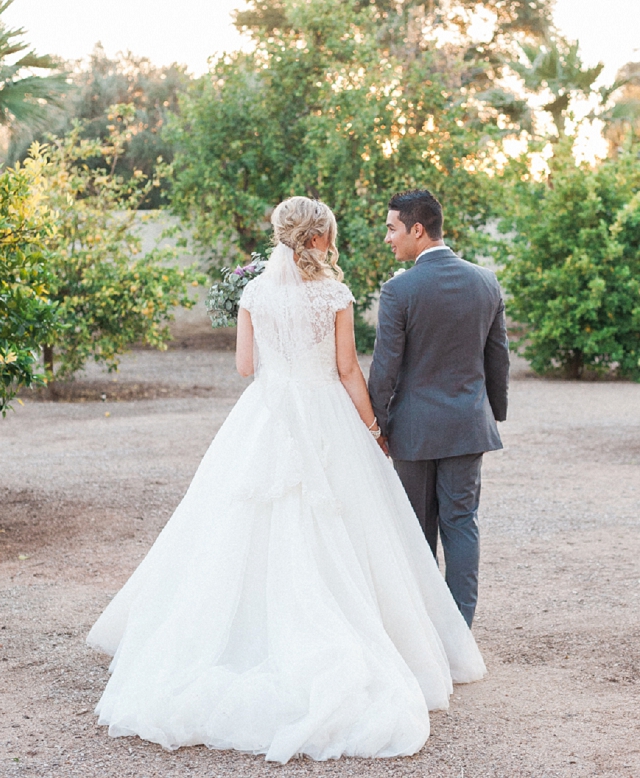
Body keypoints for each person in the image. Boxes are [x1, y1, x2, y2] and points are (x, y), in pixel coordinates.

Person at [87, 196, 485, 764]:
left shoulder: (254, 292)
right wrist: (374, 427)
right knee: (348, 526)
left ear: (283, 237)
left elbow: (245, 368)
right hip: (326, 416)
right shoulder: (336, 295)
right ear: (321, 238)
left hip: (266, 417)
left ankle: (240, 638)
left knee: (242, 524)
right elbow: (348, 370)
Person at [368, 189, 509, 628]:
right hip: (468, 425)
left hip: (414, 430)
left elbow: (385, 369)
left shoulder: (399, 290)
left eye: (392, 229)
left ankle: (424, 631)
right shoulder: (486, 281)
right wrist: (493, 411)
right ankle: (459, 632)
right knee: (462, 525)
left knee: (417, 531)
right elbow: (498, 358)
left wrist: (375, 425)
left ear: (417, 229)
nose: (387, 238)